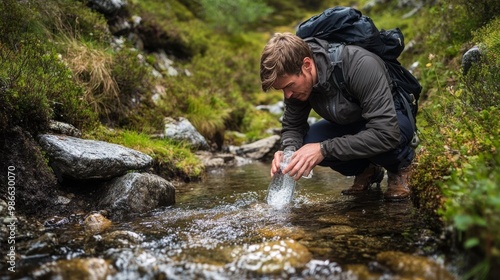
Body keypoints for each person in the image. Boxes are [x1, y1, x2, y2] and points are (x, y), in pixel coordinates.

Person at [260, 32, 416, 200]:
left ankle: (401, 166)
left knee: (320, 148)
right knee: (305, 145)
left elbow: (386, 133)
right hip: (352, 123)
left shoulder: (360, 65)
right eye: (282, 89)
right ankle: (367, 170)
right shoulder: (298, 86)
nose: (288, 95)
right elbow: (292, 127)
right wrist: (288, 153)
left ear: (307, 64)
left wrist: (324, 149)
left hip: (390, 123)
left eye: (289, 86)